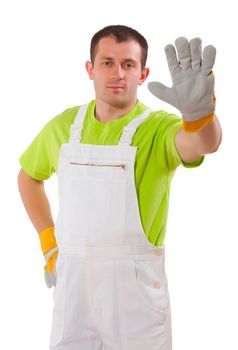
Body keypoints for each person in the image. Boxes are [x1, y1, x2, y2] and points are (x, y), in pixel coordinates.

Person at [17, 25, 222, 350]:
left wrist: (199, 117)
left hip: (135, 301)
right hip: (74, 295)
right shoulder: (63, 127)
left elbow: (202, 144)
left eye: (128, 64)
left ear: (143, 74)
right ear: (90, 68)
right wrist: (48, 242)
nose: (118, 73)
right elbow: (28, 177)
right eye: (107, 62)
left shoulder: (159, 129)